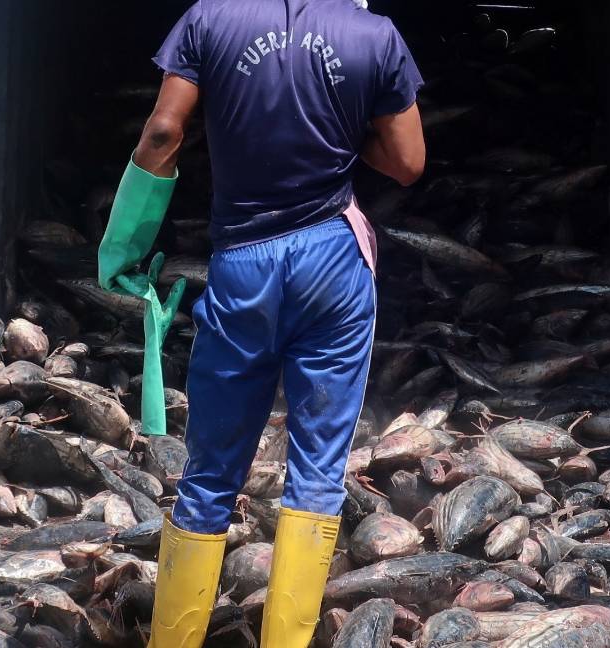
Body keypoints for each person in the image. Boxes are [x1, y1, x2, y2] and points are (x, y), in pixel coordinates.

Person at [96, 1, 425, 646]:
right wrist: (342, 130)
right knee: (317, 472)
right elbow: (408, 163)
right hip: (332, 259)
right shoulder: (375, 35)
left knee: (211, 474)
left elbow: (163, 133)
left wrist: (125, 242)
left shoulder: (208, 21)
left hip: (244, 265)